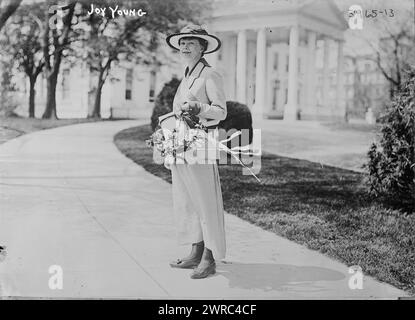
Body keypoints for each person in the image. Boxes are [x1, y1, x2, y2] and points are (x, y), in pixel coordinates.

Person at [165, 24, 227, 279]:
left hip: (200, 145)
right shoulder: (187, 75)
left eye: (191, 42)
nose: (185, 47)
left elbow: (221, 111)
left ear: (203, 48)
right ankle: (195, 251)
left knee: (204, 201)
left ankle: (209, 258)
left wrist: (198, 107)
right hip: (181, 145)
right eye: (182, 43)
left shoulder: (209, 75)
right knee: (187, 201)